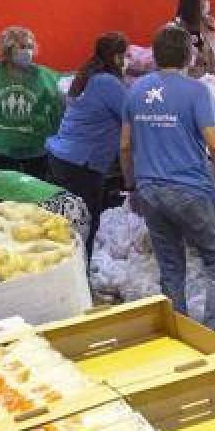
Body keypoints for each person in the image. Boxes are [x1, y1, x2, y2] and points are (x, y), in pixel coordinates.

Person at [120, 25, 215, 333]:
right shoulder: (197, 91)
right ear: (188, 54)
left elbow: (125, 145)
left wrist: (131, 185)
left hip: (149, 190)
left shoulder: (135, 90)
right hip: (191, 189)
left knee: (171, 267)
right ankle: (213, 335)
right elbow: (214, 143)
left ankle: (180, 335)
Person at [45, 33, 129, 261]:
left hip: (63, 158)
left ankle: (67, 271)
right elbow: (131, 115)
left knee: (68, 223)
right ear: (116, 57)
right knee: (84, 226)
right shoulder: (107, 82)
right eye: (125, 55)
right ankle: (80, 279)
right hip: (82, 164)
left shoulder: (87, 75)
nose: (127, 60)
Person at [0, 26, 63, 181]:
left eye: (31, 47)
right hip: (2, 148)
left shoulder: (44, 77)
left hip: (35, 149)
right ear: (8, 49)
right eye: (23, 47)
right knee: (7, 194)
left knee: (35, 192)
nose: (28, 52)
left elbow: (57, 110)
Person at [174, 0, 215, 77]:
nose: (207, 3)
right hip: (192, 81)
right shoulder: (176, 29)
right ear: (193, 4)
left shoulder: (210, 23)